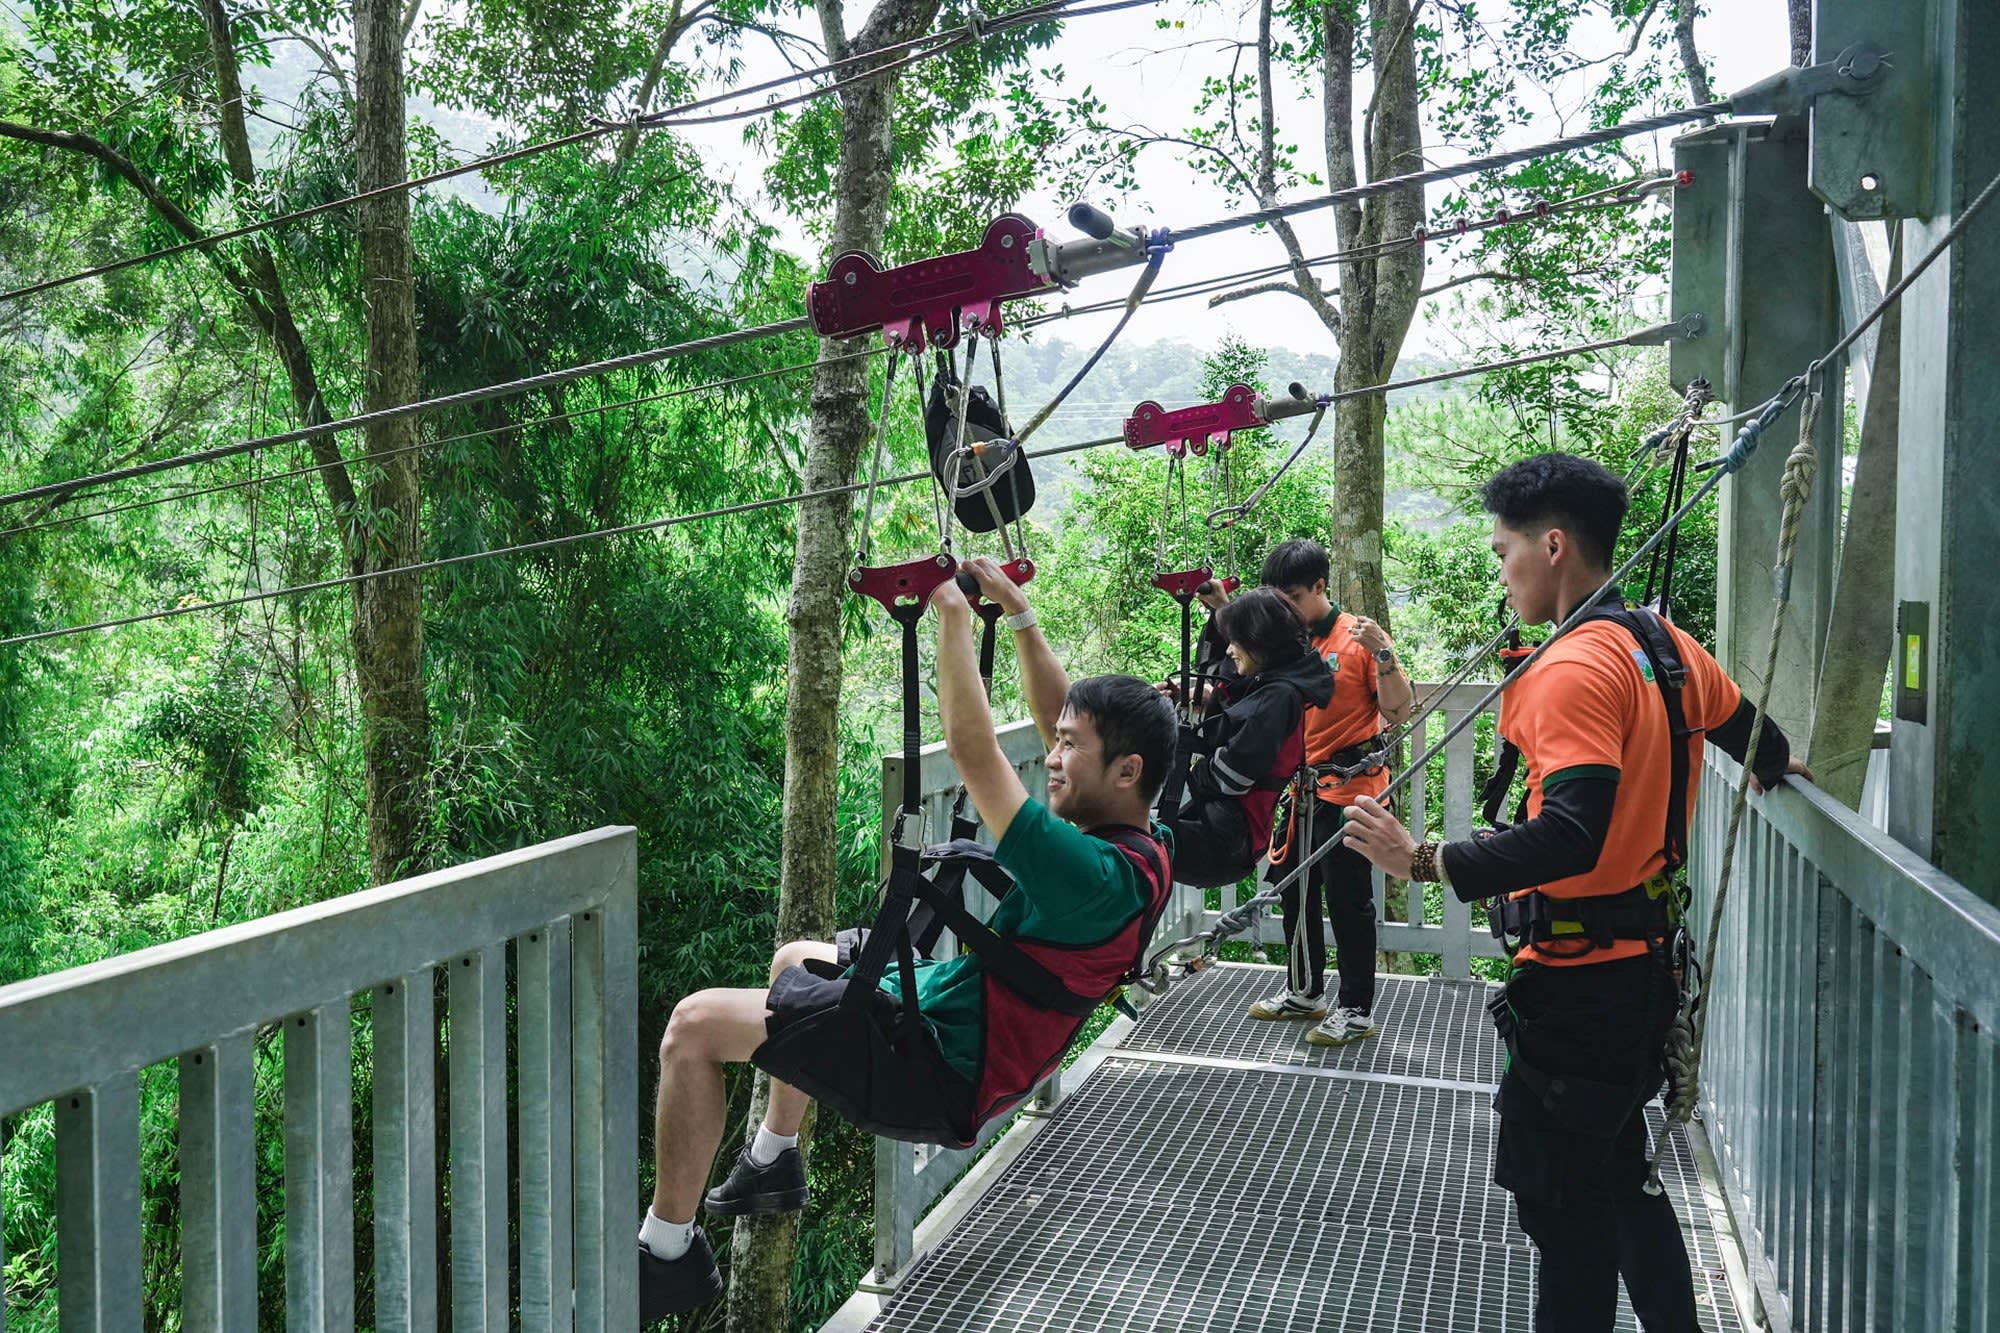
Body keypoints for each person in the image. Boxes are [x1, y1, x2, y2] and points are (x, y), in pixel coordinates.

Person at [1341, 452, 1812, 1333]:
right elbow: (1762, 741)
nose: (1501, 570)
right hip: (1642, 972)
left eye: (1504, 551)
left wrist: (1424, 859)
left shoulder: (1570, 669)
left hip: (1579, 985)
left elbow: (1571, 832)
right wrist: (1781, 770)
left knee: (1567, 1215)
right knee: (1621, 1178)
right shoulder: (1665, 647)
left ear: (1552, 546)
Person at [637, 556, 1176, 1321]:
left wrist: (951, 612)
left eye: (1068, 749)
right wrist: (1020, 617)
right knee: (796, 959)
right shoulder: (1144, 847)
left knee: (691, 1027)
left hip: (936, 1065)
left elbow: (973, 751)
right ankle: (773, 1157)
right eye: (1053, 742)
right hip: (963, 1037)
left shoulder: (1086, 874)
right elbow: (1063, 716)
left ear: (1126, 770)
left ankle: (666, 1253)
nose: (1051, 758)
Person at [1247, 539, 1414, 1046]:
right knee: (1294, 891)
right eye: (1276, 601)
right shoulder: (1284, 640)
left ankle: (1356, 1008)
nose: (1284, 610)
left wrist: (1383, 654)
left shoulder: (1357, 638)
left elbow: (1398, 711)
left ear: (1320, 586)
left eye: (1293, 598)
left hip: (1351, 791)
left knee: (1348, 901)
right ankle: (1305, 991)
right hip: (1301, 791)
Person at [1164, 587, 1332, 887]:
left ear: (1260, 643)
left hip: (1226, 839)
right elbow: (1229, 688)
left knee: (1120, 837)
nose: (1230, 650)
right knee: (1127, 839)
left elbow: (1234, 776)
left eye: (1236, 642)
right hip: (1226, 830)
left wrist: (1197, 770)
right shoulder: (1273, 685)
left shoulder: (1278, 698)